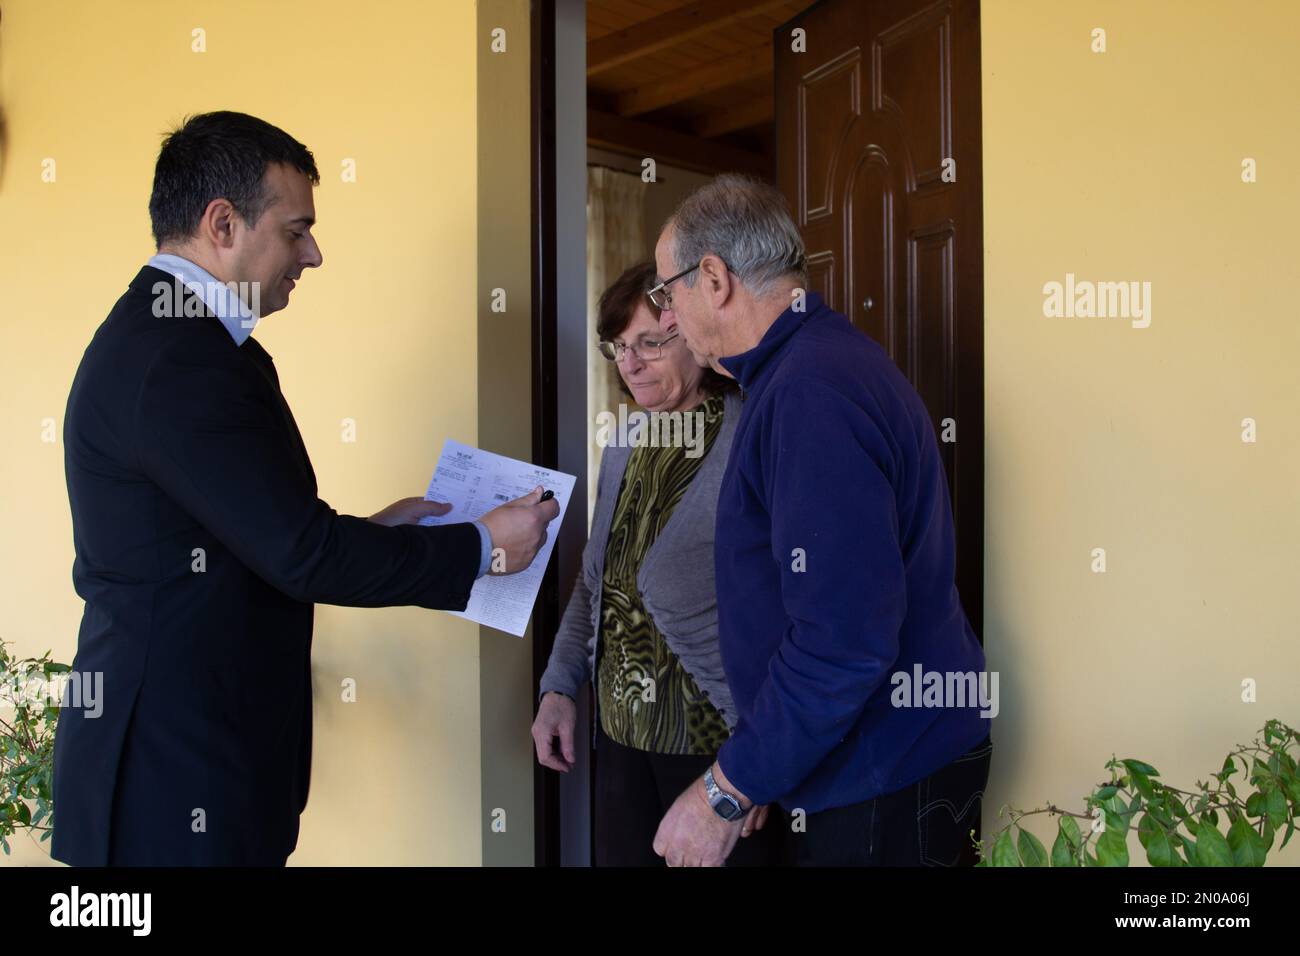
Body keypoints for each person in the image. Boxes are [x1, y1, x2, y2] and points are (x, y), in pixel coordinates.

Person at [52, 111, 559, 866]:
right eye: (297, 231)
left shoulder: (188, 346)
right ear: (222, 223)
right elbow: (301, 555)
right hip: (170, 772)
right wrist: (484, 548)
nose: (314, 254)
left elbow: (253, 534)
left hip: (194, 755)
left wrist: (379, 530)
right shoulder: (179, 361)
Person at [650, 174, 993, 867]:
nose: (666, 320)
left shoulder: (808, 391)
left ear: (713, 277)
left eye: (667, 292)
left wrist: (728, 787)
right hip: (872, 762)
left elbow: (844, 641)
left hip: (880, 773)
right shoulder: (814, 364)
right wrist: (769, 765)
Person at [532, 261, 783, 866]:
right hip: (619, 741)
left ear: (694, 333)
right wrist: (560, 687)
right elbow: (596, 587)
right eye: (618, 347)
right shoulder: (624, 442)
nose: (630, 363)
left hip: (714, 751)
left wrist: (760, 756)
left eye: (649, 342)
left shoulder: (750, 433)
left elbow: (788, 605)